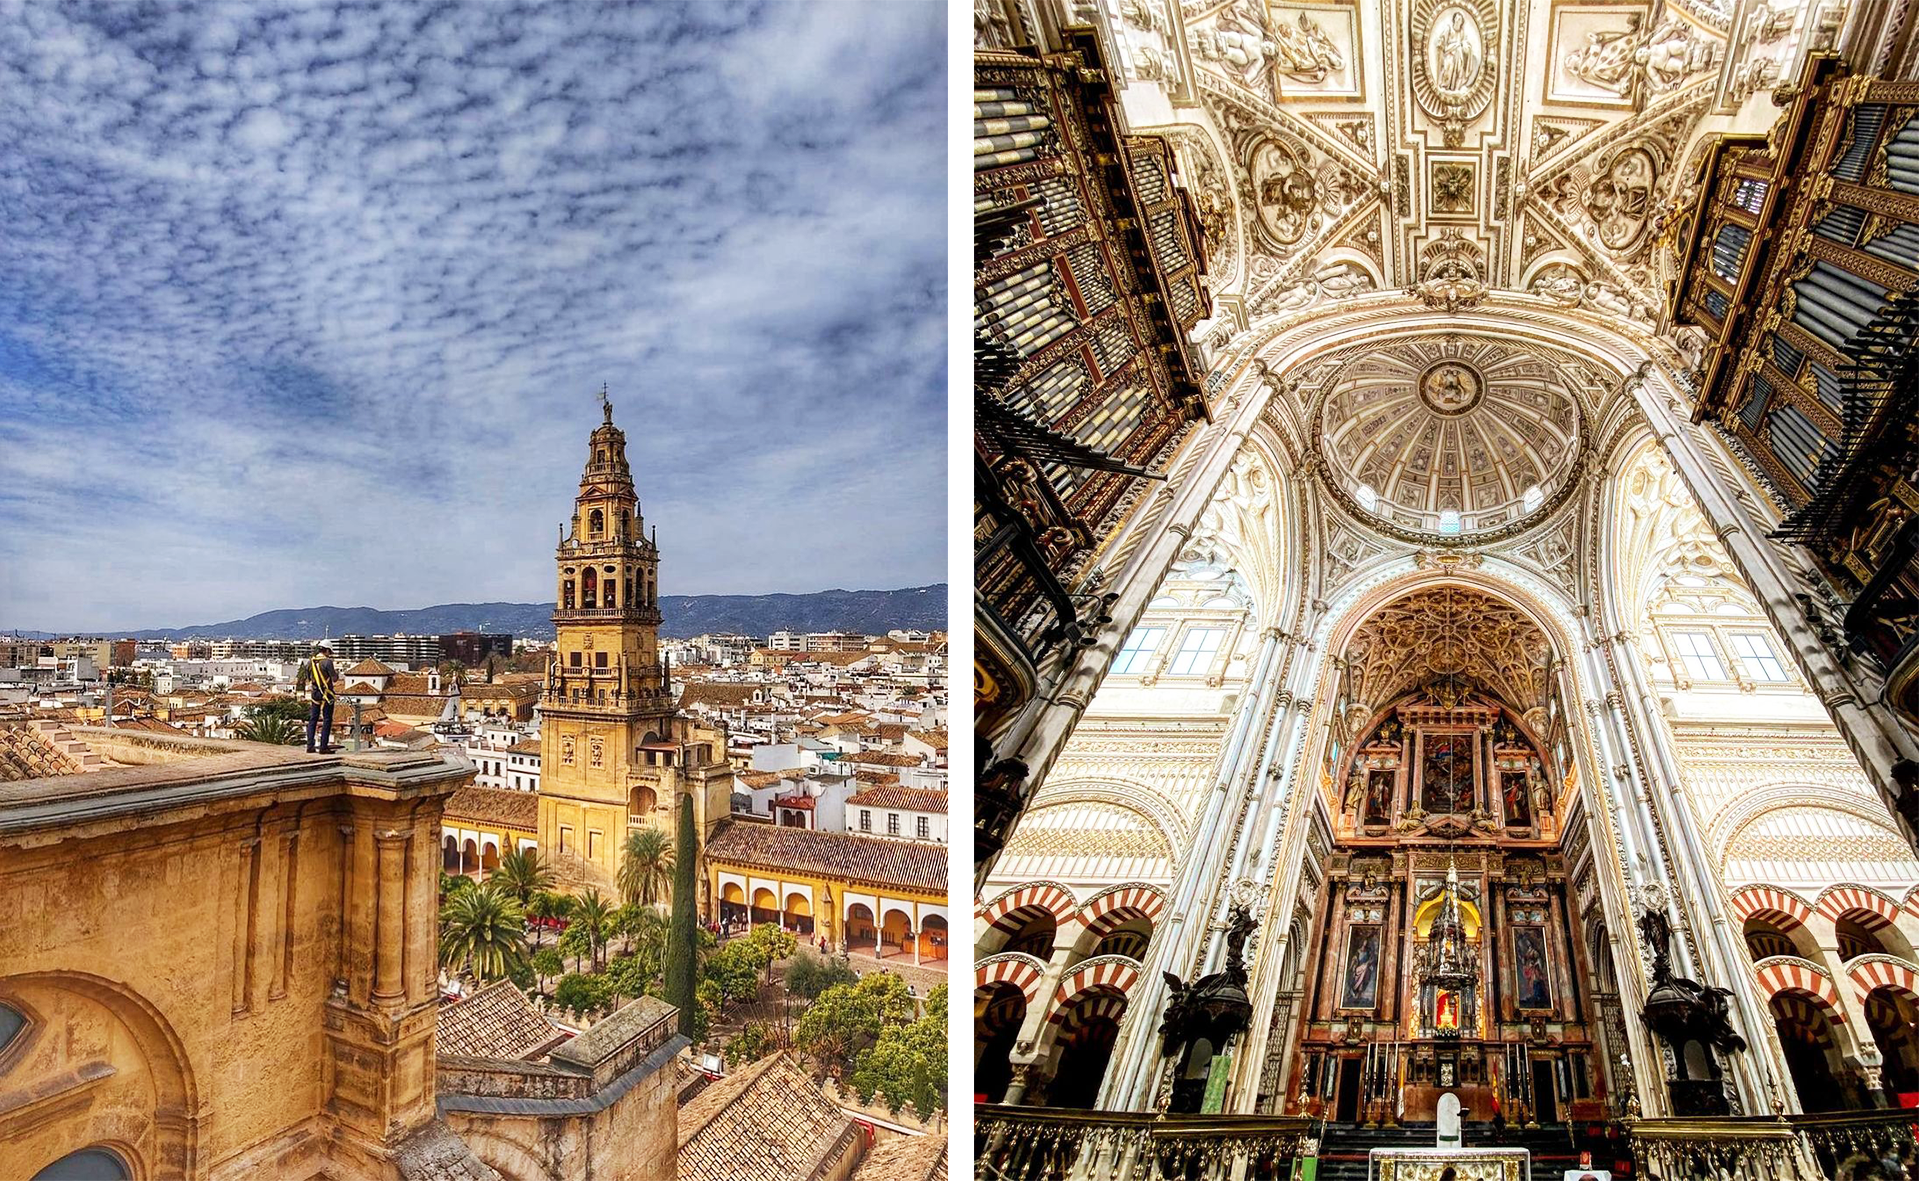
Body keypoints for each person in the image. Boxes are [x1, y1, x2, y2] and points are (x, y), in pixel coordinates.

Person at [296, 641, 340, 754]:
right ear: (327, 650)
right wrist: (337, 674)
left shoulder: (311, 662)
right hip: (327, 693)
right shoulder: (327, 662)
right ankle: (323, 747)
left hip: (315, 692)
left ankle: (310, 745)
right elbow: (334, 678)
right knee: (327, 719)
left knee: (313, 719)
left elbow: (308, 676)